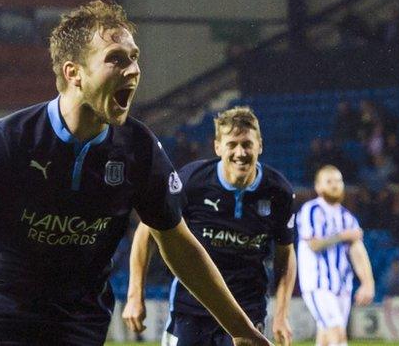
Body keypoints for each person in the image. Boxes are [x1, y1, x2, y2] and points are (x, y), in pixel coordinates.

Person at [0, 1, 268, 346]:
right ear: (74, 73)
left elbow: (179, 245)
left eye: (135, 58)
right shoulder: (8, 142)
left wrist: (242, 330)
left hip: (78, 328)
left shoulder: (139, 149)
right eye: (116, 59)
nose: (133, 71)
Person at [122, 107, 296, 346]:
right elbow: (147, 230)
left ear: (260, 145)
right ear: (217, 147)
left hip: (246, 312)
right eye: (232, 144)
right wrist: (135, 294)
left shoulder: (278, 191)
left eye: (247, 144)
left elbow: (286, 255)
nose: (240, 152)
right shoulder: (193, 180)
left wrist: (282, 314)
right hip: (190, 310)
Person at [296, 165, 375, 346]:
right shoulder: (311, 210)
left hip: (342, 286)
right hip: (318, 284)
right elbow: (314, 244)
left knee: (325, 338)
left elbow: (357, 252)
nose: (335, 185)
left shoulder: (348, 217)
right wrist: (342, 236)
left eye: (338, 181)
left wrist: (368, 282)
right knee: (337, 334)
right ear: (318, 186)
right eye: (329, 181)